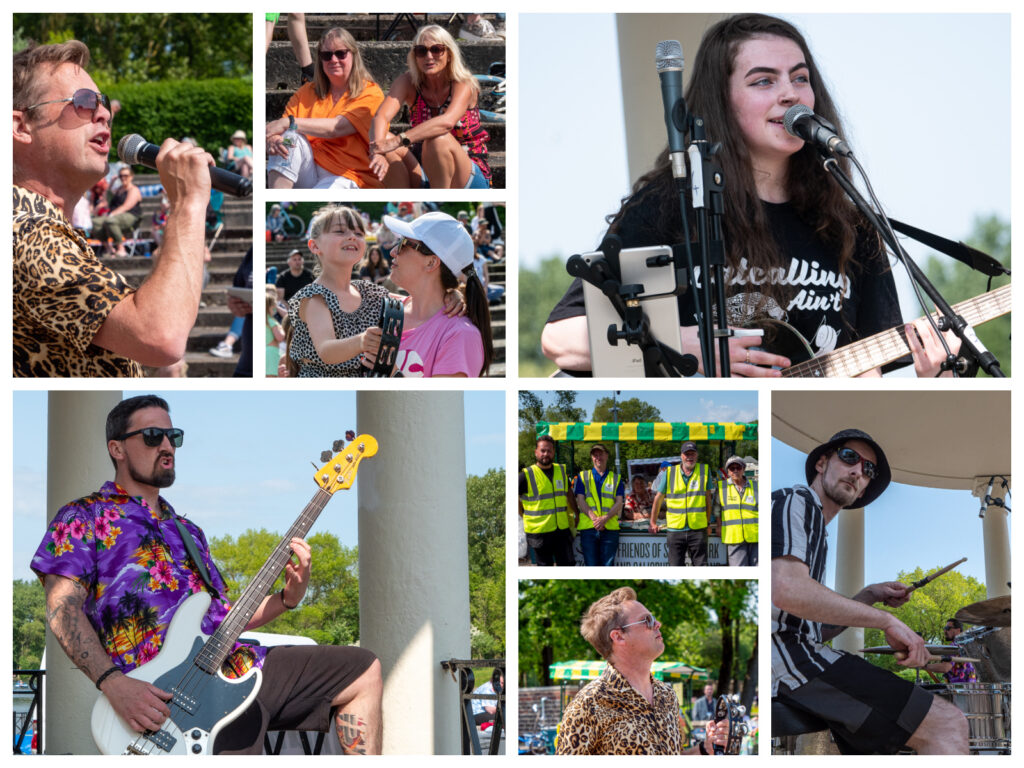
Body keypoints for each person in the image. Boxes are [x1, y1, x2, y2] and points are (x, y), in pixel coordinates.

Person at [540, 13, 959, 378]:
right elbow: (560, 337)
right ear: (723, 102)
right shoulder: (669, 207)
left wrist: (939, 377)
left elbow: (866, 375)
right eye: (763, 80)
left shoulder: (853, 227)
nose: (790, 93)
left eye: (800, 78)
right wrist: (681, 343)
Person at [30, 395, 383, 754]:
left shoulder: (188, 531)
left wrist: (286, 599)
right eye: (153, 436)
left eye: (173, 436)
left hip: (237, 671)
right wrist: (113, 684)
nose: (167, 446)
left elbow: (225, 620)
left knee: (362, 669)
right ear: (116, 448)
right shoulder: (83, 517)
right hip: (160, 700)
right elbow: (62, 609)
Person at [14, 40, 214, 378]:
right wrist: (188, 203)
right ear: (20, 127)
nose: (104, 112)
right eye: (83, 102)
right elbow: (159, 336)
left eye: (102, 102)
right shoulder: (25, 231)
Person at [772, 428, 968, 754]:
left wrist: (869, 595)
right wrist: (886, 621)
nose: (858, 471)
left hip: (797, 657)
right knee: (948, 723)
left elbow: (809, 629)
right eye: (849, 457)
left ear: (863, 491)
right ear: (821, 463)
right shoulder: (797, 501)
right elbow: (786, 590)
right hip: (785, 661)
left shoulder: (815, 530)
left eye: (868, 470)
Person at [556, 587, 727, 755]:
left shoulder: (667, 695)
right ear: (618, 636)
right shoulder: (589, 704)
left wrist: (704, 749)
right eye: (648, 620)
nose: (658, 624)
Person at [368, 25, 491, 189]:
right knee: (385, 138)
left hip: (467, 173)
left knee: (438, 139)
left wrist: (399, 140)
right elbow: (381, 117)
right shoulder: (408, 82)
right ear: (415, 56)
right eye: (421, 51)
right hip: (425, 169)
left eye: (436, 49)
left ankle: (440, 203)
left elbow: (447, 122)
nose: (429, 56)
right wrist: (379, 151)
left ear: (449, 54)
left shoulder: (464, 83)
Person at [266, 26, 385, 190]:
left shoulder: (371, 93)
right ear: (320, 60)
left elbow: (337, 127)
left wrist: (289, 122)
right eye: (326, 55)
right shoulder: (305, 92)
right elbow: (278, 131)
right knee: (289, 139)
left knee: (290, 129)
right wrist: (273, 140)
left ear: (354, 55)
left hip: (348, 173)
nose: (333, 60)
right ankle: (278, 200)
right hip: (308, 168)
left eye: (341, 53)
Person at [379, 211, 492, 377]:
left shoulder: (461, 336)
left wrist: (389, 368)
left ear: (431, 262)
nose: (393, 252)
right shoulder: (384, 306)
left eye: (403, 243)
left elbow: (437, 404)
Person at [648, 442, 717, 566]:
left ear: (697, 455)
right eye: (687, 454)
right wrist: (652, 522)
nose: (690, 457)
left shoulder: (705, 471)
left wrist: (707, 523)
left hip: (698, 529)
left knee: (701, 567)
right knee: (675, 567)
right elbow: (658, 499)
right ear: (681, 456)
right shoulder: (669, 473)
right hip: (675, 530)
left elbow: (708, 500)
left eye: (693, 454)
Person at [518, 436, 575, 567]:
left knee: (568, 566)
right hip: (539, 532)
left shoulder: (561, 471)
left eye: (549, 451)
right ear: (536, 452)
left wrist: (575, 513)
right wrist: (523, 513)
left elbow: (569, 494)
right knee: (545, 567)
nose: (546, 454)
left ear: (554, 452)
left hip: (561, 530)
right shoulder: (526, 475)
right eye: (542, 450)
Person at [573, 444, 625, 566]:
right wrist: (596, 520)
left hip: (609, 528)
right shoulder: (582, 476)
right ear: (592, 457)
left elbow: (619, 502)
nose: (598, 457)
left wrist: (605, 519)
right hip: (589, 528)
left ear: (607, 455)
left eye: (600, 454)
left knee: (608, 566)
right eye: (595, 455)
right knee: (591, 566)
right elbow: (580, 500)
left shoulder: (616, 478)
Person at [92, 166, 142, 257]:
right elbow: (105, 198)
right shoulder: (119, 189)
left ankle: (121, 249)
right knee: (95, 222)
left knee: (110, 221)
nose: (123, 178)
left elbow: (127, 206)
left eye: (126, 175)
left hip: (130, 216)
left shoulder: (134, 190)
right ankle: (109, 249)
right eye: (121, 176)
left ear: (131, 176)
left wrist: (111, 215)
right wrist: (111, 182)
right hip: (115, 216)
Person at [719, 456, 758, 566]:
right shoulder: (722, 487)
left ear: (743, 469)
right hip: (734, 536)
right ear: (728, 471)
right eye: (732, 468)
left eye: (738, 467)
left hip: (755, 536)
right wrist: (718, 527)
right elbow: (717, 510)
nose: (735, 470)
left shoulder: (756, 486)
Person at [930, 619, 978, 683]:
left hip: (958, 690)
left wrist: (924, 666)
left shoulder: (954, 646)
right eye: (945, 628)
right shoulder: (968, 645)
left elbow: (945, 667)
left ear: (958, 630)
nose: (945, 631)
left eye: (947, 628)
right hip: (970, 689)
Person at [266, 284, 285, 377]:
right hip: (272, 352)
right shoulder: (271, 321)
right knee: (272, 377)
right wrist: (281, 330)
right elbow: (280, 337)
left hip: (267, 350)